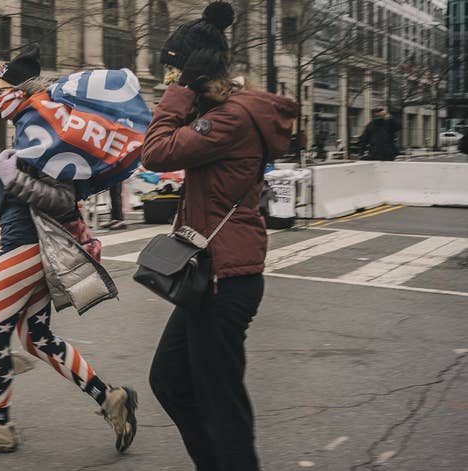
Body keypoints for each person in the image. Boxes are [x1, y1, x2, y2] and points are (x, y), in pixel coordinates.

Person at [0, 46, 137, 455]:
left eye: (0, 89)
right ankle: (109, 398)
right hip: (30, 243)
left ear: (19, 91)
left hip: (24, 243)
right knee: (35, 337)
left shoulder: (40, 127)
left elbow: (62, 197)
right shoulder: (33, 126)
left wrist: (11, 175)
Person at [141, 3, 297, 470]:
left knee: (221, 403)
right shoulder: (216, 115)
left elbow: (155, 152)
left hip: (226, 280)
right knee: (170, 381)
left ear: (192, 71)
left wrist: (183, 91)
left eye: (173, 71)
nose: (168, 81)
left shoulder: (227, 120)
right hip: (208, 274)